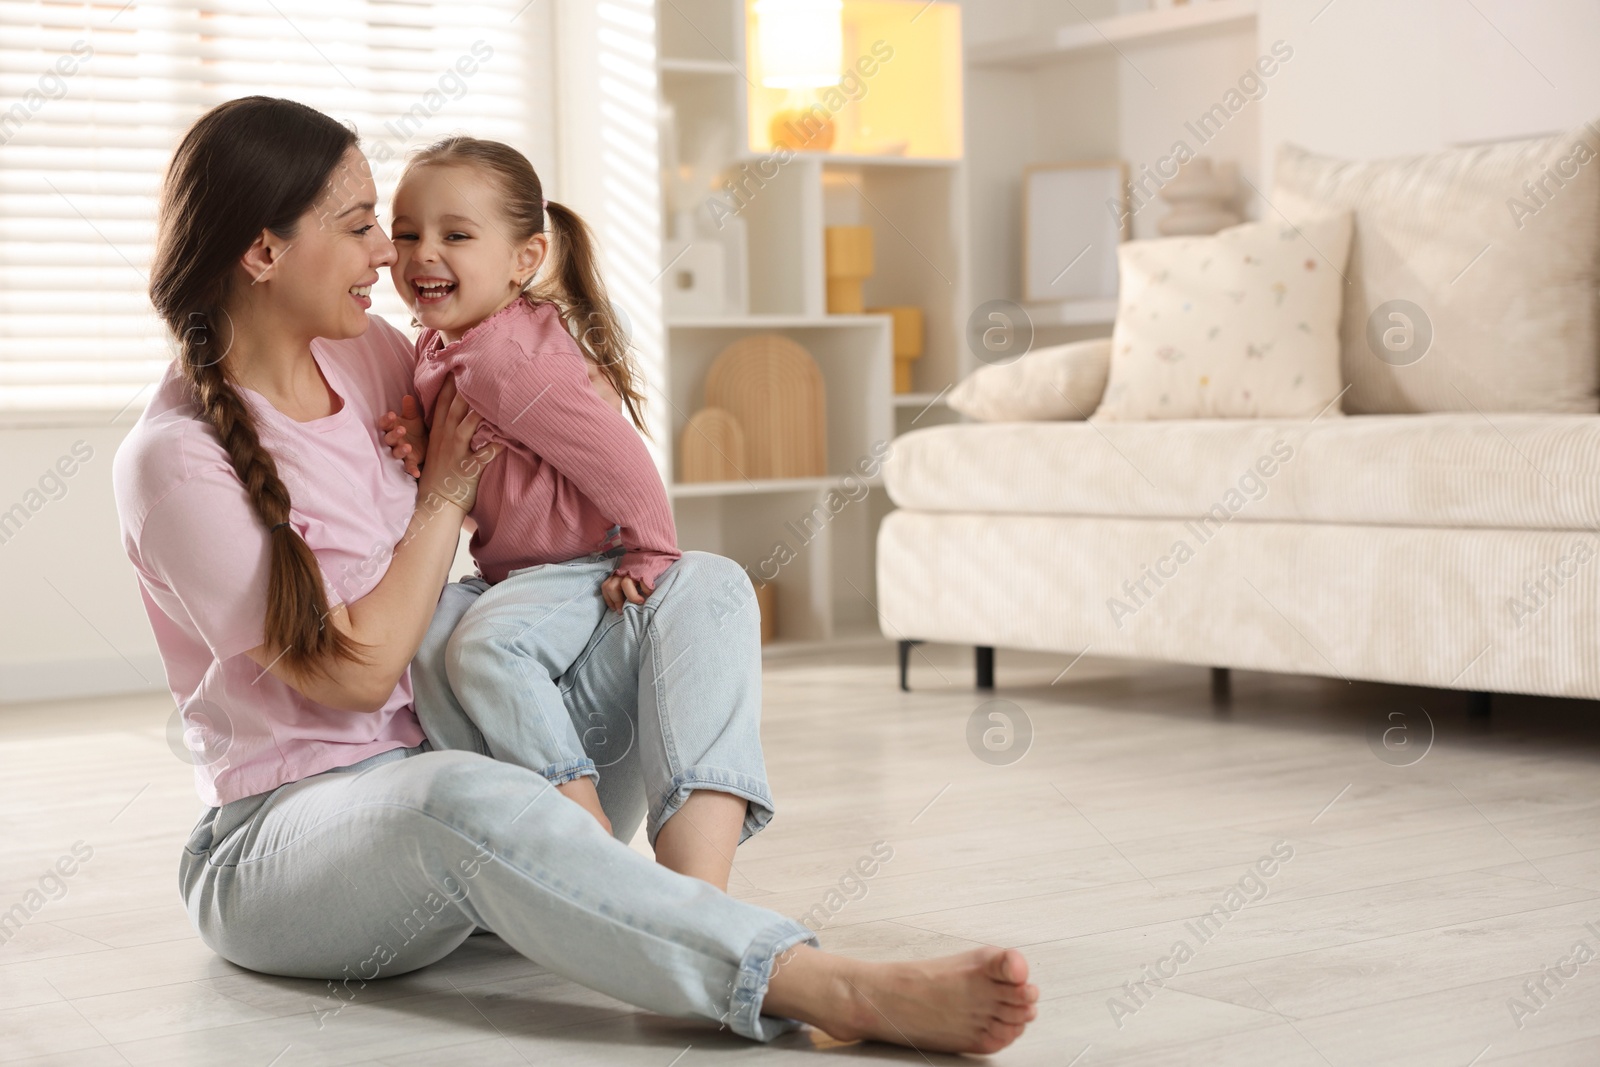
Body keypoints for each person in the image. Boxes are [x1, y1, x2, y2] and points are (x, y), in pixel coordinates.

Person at [112, 95, 1038, 1053]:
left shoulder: (376, 355)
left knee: (706, 583)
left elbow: (528, 388)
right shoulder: (174, 460)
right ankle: (825, 985)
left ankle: (685, 911)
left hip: (471, 763)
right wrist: (442, 498)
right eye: (359, 229)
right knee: (462, 797)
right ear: (262, 252)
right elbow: (351, 671)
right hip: (290, 842)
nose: (388, 256)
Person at [376, 135, 680, 838]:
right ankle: (493, 808)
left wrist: (651, 552)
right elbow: (489, 455)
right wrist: (424, 445)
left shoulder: (509, 360)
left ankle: (576, 819)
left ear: (526, 260)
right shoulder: (440, 342)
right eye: (406, 233)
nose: (423, 252)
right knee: (418, 638)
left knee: (486, 650)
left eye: (455, 235)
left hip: (582, 564)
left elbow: (618, 456)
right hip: (513, 571)